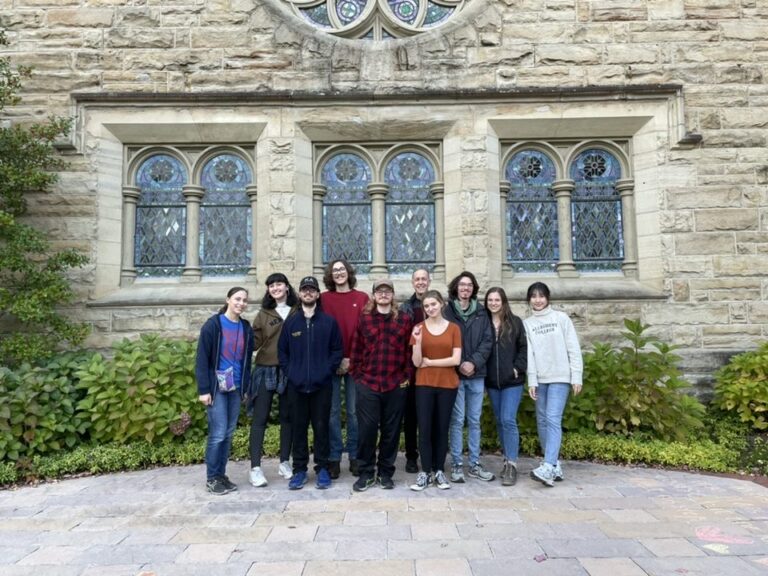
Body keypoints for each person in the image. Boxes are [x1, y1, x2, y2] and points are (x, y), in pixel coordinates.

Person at [278, 276, 343, 490]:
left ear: (317, 294)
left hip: (321, 386)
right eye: (304, 289)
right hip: (296, 386)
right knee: (299, 429)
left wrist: (326, 371)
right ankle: (299, 470)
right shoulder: (292, 322)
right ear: (300, 293)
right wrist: (292, 373)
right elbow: (283, 352)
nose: (308, 293)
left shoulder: (328, 322)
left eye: (312, 290)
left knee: (322, 427)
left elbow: (336, 351)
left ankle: (322, 468)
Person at [349, 279, 413, 491]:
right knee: (366, 430)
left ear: (393, 295)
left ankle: (386, 473)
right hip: (368, 383)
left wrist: (406, 377)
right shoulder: (364, 320)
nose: (383, 294)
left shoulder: (404, 320)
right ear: (374, 295)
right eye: (380, 291)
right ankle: (366, 472)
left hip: (395, 384)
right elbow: (356, 350)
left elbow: (409, 351)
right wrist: (357, 377)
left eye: (387, 291)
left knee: (391, 431)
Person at [195, 286, 255, 495]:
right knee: (218, 434)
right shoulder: (214, 325)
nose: (241, 303)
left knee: (228, 434)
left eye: (245, 300)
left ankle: (221, 475)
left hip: (236, 387)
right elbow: (202, 359)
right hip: (217, 388)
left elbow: (247, 362)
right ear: (228, 300)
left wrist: (245, 386)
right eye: (237, 299)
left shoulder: (246, 327)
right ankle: (212, 478)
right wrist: (204, 390)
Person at [524, 281, 583, 487]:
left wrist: (576, 375)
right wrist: (532, 380)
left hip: (560, 377)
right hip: (540, 379)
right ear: (529, 299)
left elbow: (573, 347)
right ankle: (555, 464)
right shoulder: (527, 323)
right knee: (541, 420)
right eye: (533, 296)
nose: (537, 300)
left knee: (552, 418)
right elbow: (530, 354)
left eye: (541, 296)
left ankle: (547, 465)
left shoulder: (561, 318)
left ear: (547, 298)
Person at [246, 273, 297, 488]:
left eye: (279, 284)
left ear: (286, 287)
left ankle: (285, 462)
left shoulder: (298, 310)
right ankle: (255, 468)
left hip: (289, 370)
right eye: (272, 286)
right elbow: (253, 343)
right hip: (266, 369)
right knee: (260, 418)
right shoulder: (263, 314)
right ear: (268, 290)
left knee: (288, 418)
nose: (276, 288)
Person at [443, 271, 495, 483]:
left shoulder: (482, 313)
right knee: (456, 420)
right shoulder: (447, 312)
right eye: (462, 285)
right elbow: (444, 339)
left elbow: (487, 341)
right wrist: (460, 363)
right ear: (456, 288)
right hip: (454, 374)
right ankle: (456, 464)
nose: (465, 288)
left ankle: (474, 463)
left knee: (474, 420)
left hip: (476, 374)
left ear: (473, 289)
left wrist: (473, 362)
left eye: (469, 285)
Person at [320, 259, 370, 478]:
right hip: (330, 364)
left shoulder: (362, 298)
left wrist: (351, 358)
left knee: (354, 412)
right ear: (330, 275)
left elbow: (367, 332)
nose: (339, 273)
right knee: (331, 413)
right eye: (335, 270)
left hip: (356, 362)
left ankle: (355, 456)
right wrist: (337, 359)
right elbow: (321, 331)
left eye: (342, 269)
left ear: (349, 272)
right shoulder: (323, 299)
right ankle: (333, 458)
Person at [409, 290, 462, 491]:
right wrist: (419, 341)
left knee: (441, 428)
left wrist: (430, 362)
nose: (430, 308)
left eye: (433, 304)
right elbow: (416, 362)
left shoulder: (454, 329)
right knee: (424, 428)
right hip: (424, 384)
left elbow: (455, 360)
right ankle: (425, 472)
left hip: (447, 385)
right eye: (426, 306)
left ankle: (439, 470)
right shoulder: (418, 328)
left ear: (442, 304)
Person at [484, 287, 527, 486]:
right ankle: (505, 459)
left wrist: (518, 368)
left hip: (512, 381)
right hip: (492, 382)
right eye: (490, 300)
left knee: (508, 419)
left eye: (497, 299)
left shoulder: (515, 322)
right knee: (500, 421)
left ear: (503, 301)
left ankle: (512, 464)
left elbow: (523, 348)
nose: (493, 303)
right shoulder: (483, 323)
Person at [398, 268, 431, 473]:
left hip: (434, 367)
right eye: (417, 279)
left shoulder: (439, 305)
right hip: (412, 368)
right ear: (413, 283)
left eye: (423, 279)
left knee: (430, 415)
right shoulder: (406, 308)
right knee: (410, 416)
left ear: (429, 281)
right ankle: (411, 456)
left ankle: (431, 455)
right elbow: (402, 340)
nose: (420, 282)